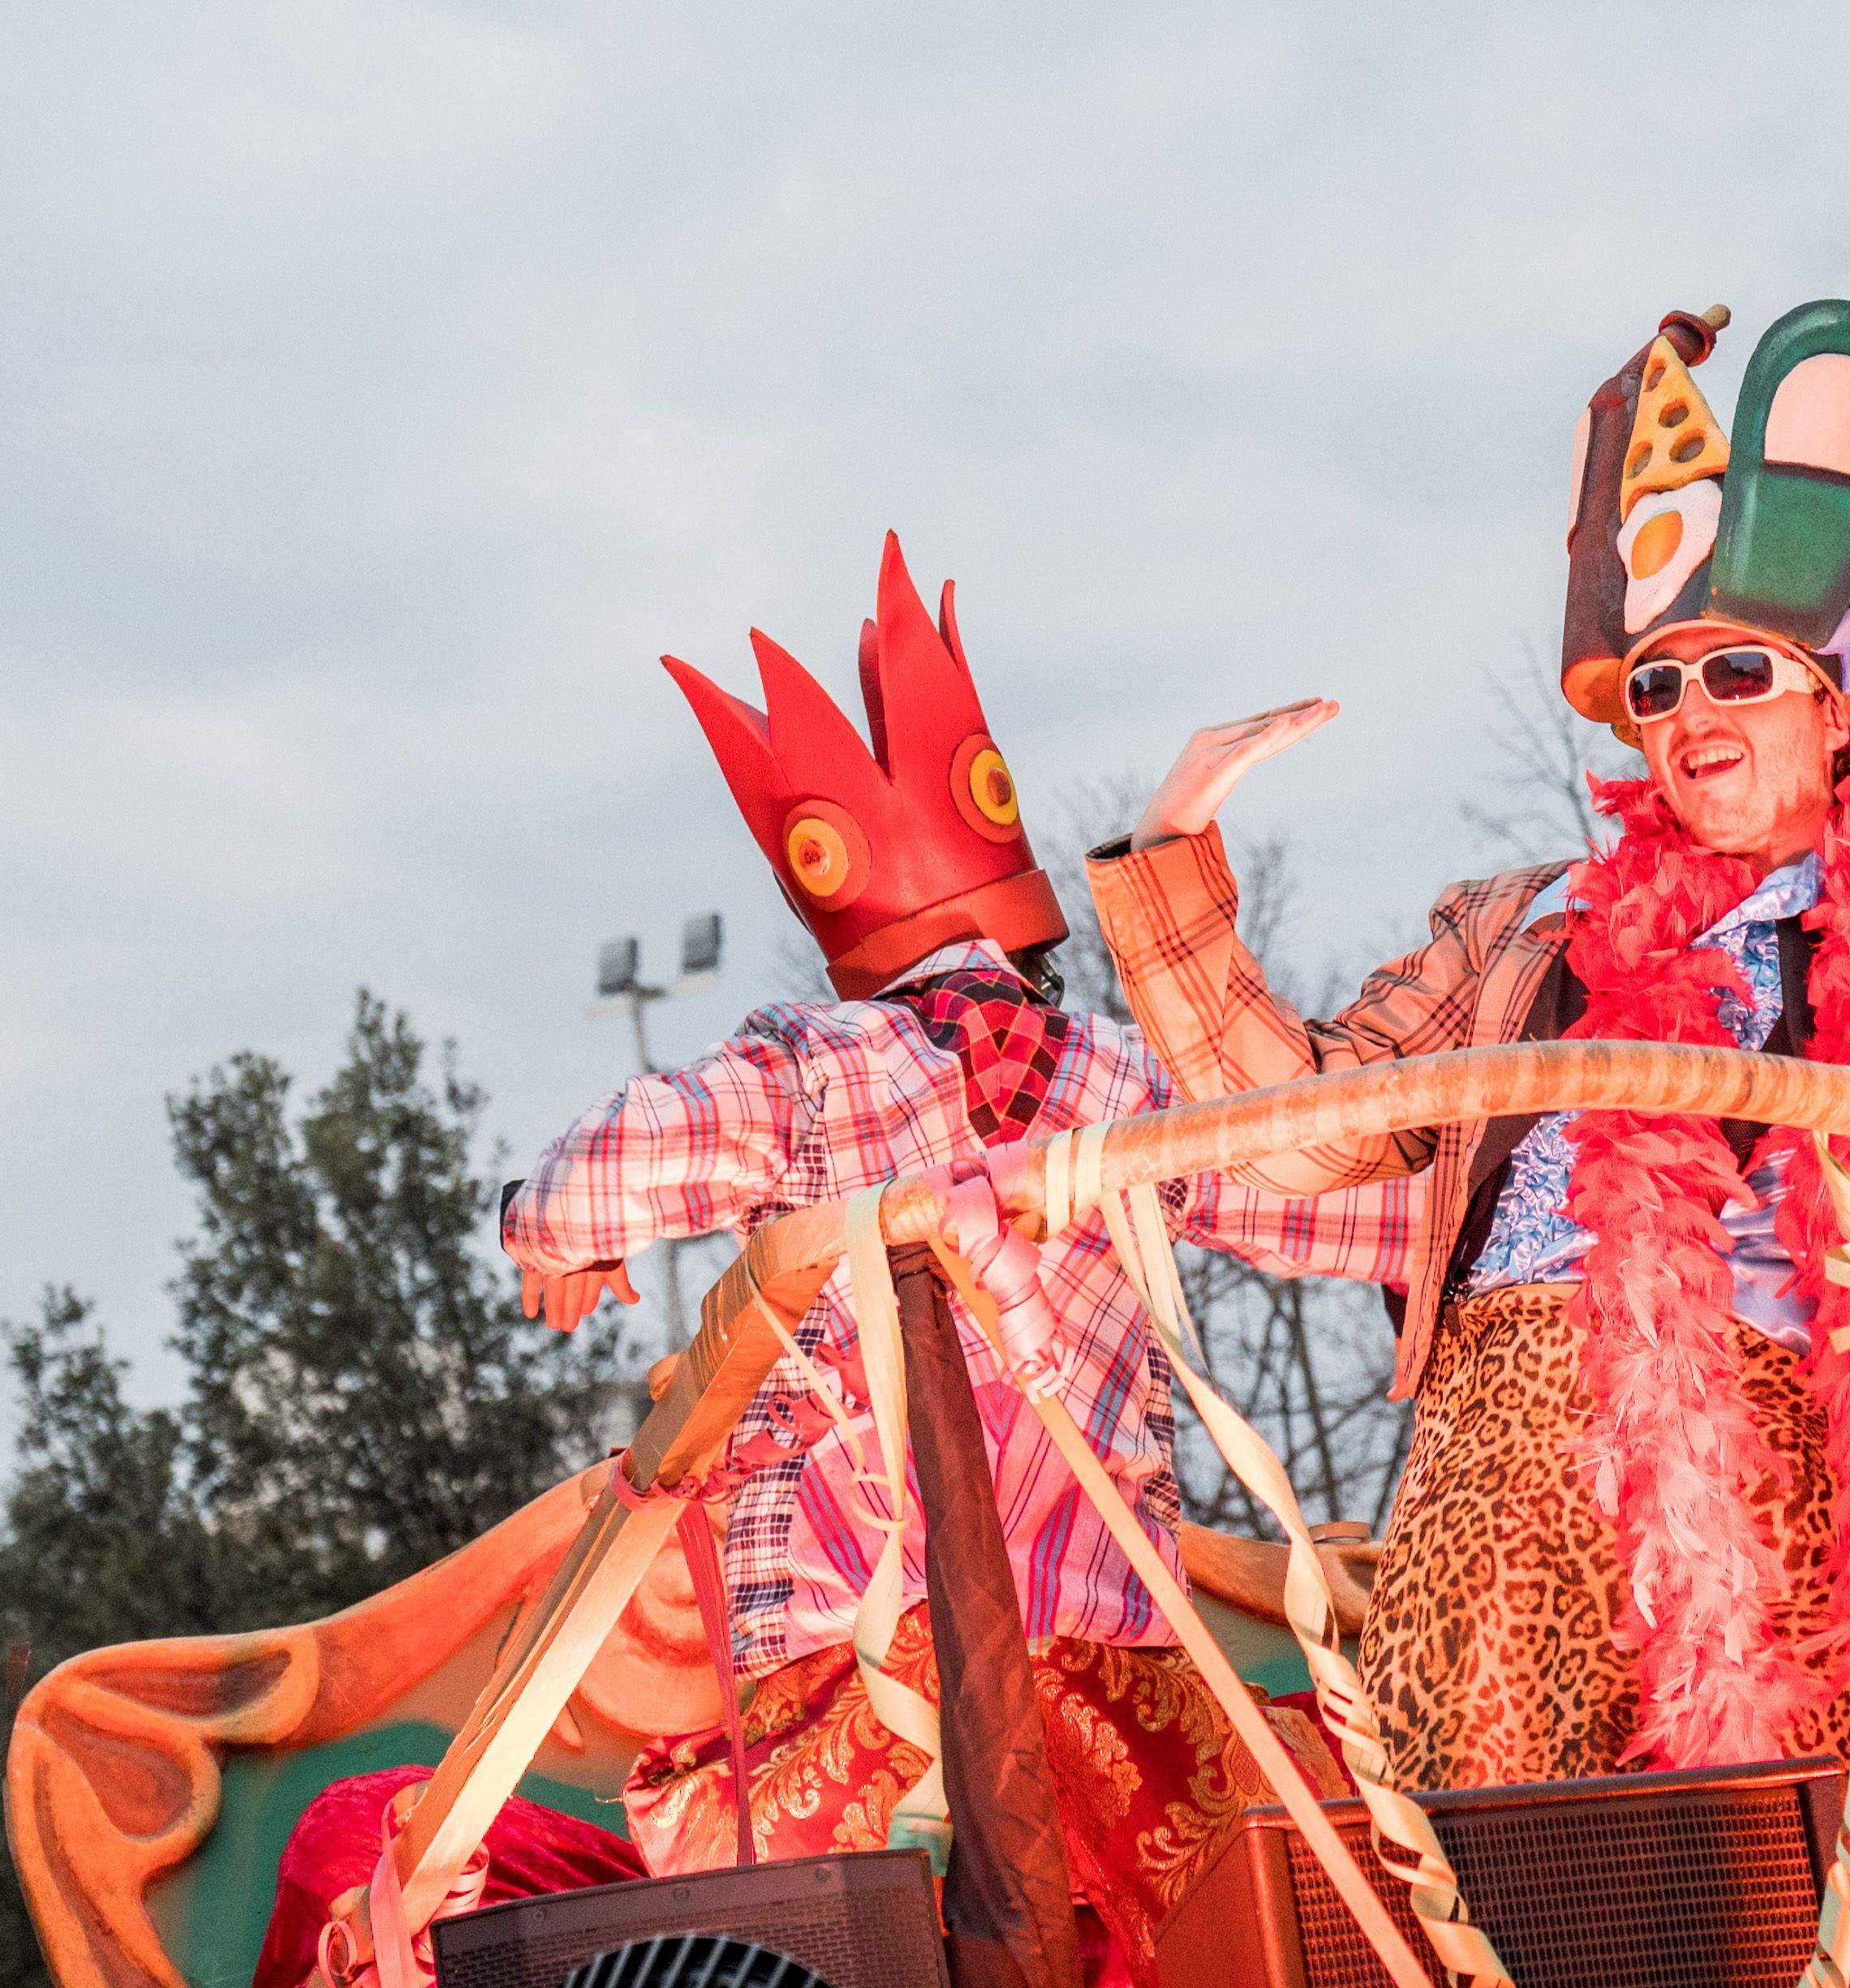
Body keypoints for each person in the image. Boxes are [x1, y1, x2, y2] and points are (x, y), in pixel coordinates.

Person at [1081, 227, 1850, 1988]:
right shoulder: (1523, 932)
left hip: (1798, 1449)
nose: (1686, 713)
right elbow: (1298, 1124)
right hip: (1497, 1457)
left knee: (1767, 1916)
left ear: (1833, 707)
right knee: (1481, 1918)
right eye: (1656, 682)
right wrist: (1171, 865)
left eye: (1735, 674)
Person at [264, 536, 1405, 1988]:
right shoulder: (1129, 1080)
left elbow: (583, 1184)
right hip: (1126, 1729)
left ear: (850, 932)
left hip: (862, 1744)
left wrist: (555, 1233)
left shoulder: (805, 1072)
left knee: (478, 1876)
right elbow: (1351, 1210)